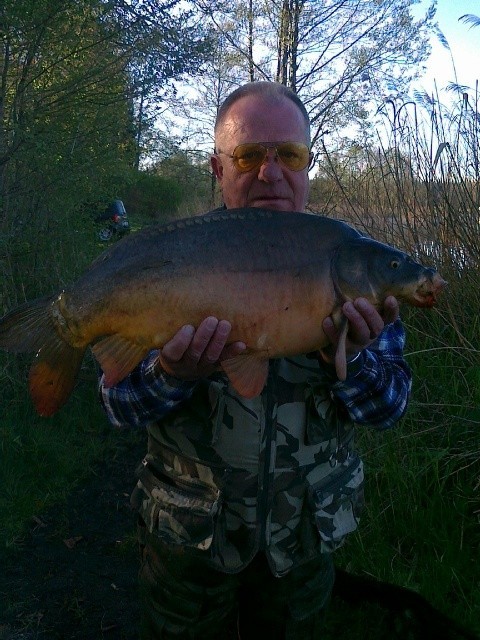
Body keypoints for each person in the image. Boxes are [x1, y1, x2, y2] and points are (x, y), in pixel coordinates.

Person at [99, 81, 412, 639]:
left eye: (289, 155)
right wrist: (171, 375)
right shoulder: (170, 255)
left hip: (306, 541)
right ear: (218, 169)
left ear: (308, 165)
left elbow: (388, 409)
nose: (271, 173)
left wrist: (353, 360)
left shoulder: (351, 262)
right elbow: (118, 407)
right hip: (187, 542)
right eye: (248, 156)